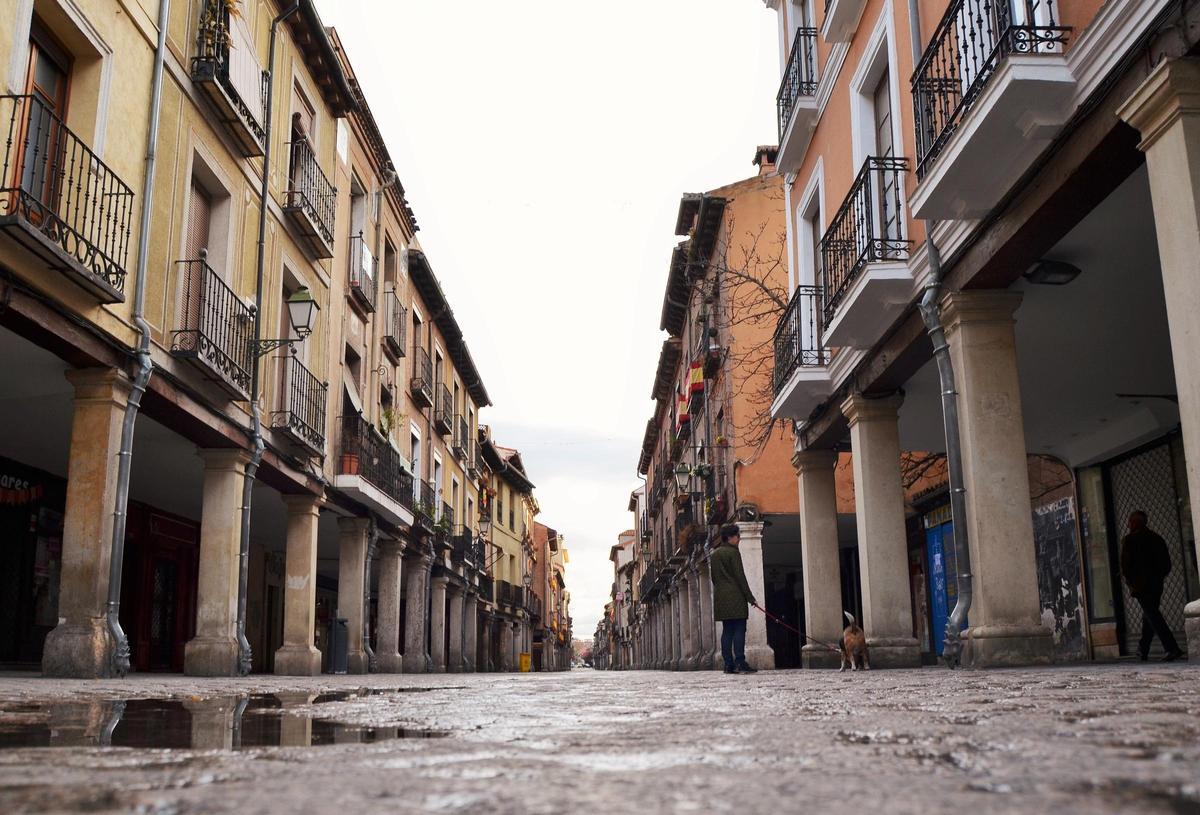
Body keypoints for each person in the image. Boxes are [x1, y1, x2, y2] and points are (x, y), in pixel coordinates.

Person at [1120, 510, 1184, 661]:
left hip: (1141, 586)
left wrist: (1131, 582)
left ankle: (1172, 648)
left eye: (1130, 522)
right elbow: (1166, 565)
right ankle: (1143, 649)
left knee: (1153, 616)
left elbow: (1126, 566)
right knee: (1149, 615)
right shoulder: (1157, 539)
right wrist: (1158, 577)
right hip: (1156, 585)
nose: (1128, 525)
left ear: (1134, 523)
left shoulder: (1129, 540)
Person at [710, 524, 758, 674]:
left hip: (721, 597)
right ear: (730, 537)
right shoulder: (733, 553)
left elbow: (714, 578)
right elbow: (740, 576)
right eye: (738, 536)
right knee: (739, 629)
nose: (739, 539)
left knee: (727, 631)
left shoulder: (714, 554)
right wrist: (750, 598)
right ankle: (740, 662)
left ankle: (728, 664)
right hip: (736, 596)